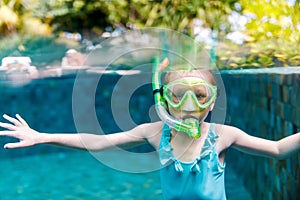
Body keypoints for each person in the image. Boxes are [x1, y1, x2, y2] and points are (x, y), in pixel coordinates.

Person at [0, 58, 299, 200]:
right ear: (165, 100)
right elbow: (99, 142)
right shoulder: (155, 133)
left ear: (212, 103)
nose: (189, 104)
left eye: (200, 95)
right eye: (179, 94)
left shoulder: (223, 136)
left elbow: (277, 149)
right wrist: (43, 136)